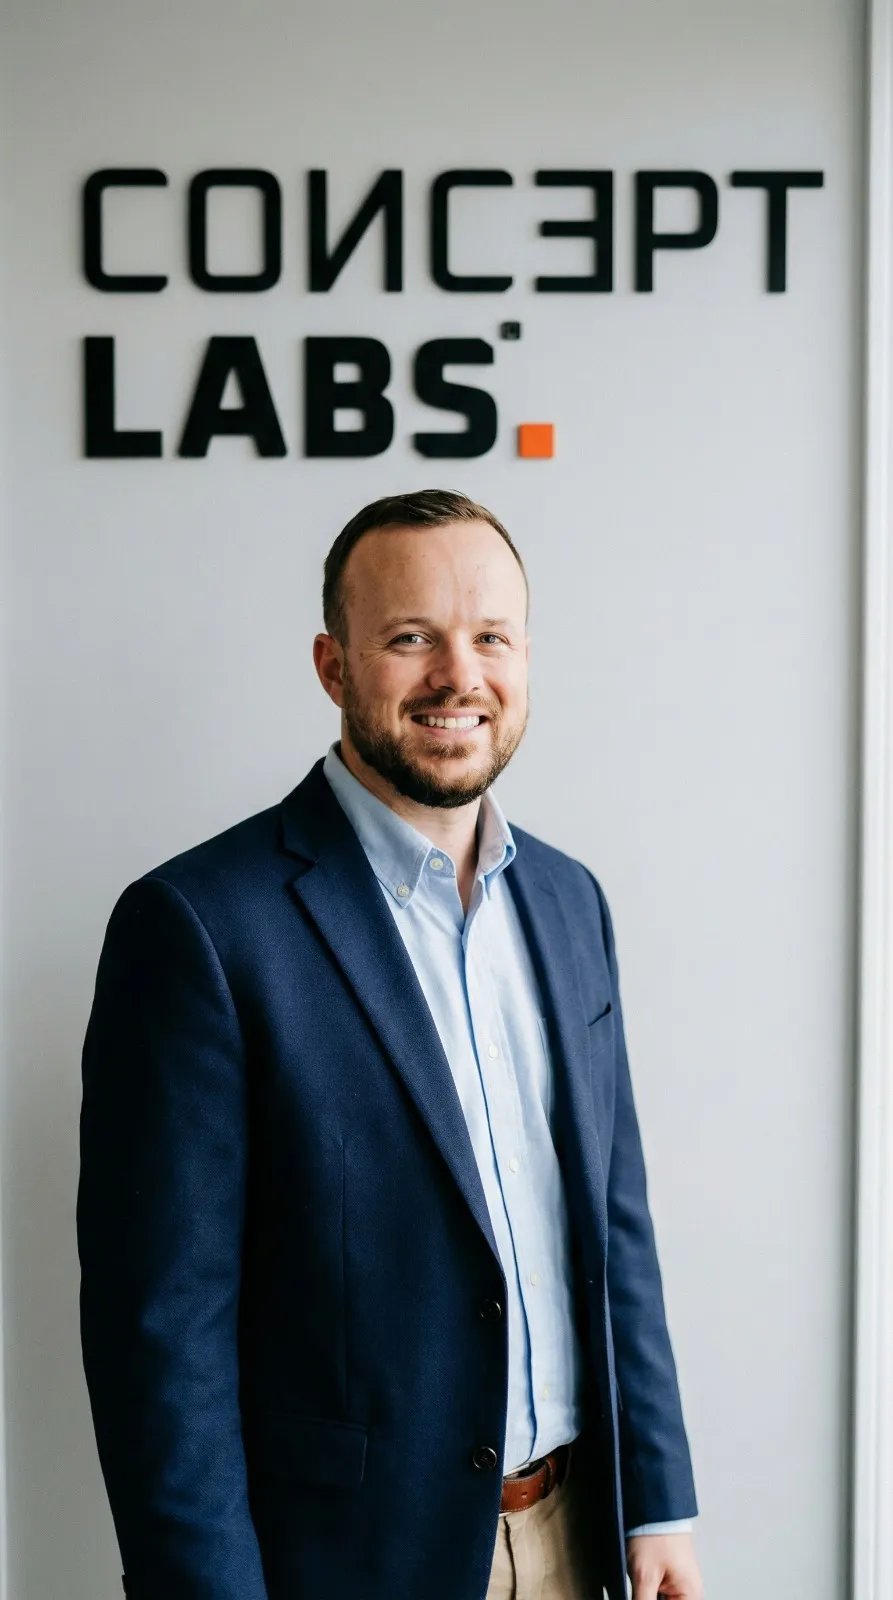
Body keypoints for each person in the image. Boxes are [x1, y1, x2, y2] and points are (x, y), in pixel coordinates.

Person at [78, 489, 703, 1600]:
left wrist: (654, 1498)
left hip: (574, 1538)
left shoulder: (568, 901)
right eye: (410, 637)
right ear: (332, 664)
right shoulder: (200, 929)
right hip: (344, 1564)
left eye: (489, 637)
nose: (457, 675)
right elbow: (160, 1339)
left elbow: (616, 1222)